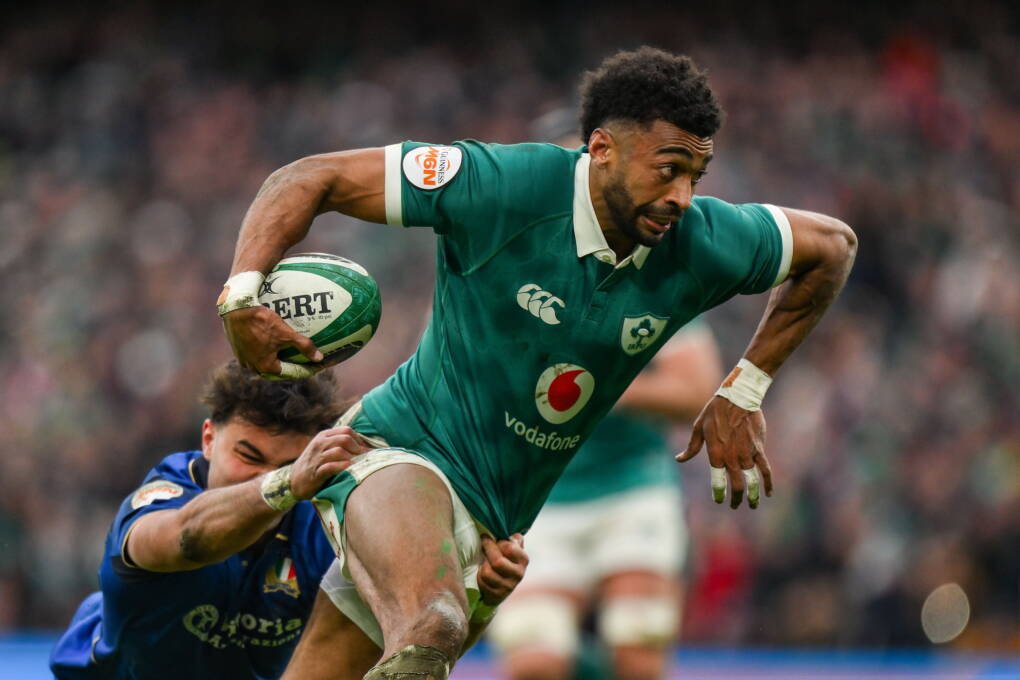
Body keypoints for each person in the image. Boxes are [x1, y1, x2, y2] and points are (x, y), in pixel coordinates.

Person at [217, 46, 857, 680]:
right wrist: (242, 295)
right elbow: (307, 178)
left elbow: (833, 246)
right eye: (668, 169)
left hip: (500, 524)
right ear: (601, 149)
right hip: (399, 452)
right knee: (432, 625)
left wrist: (745, 388)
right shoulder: (497, 185)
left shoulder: (700, 244)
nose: (684, 196)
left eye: (697, 175)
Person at [48, 361, 530, 679]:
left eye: (288, 464)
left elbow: (403, 646)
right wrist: (287, 484)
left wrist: (479, 596)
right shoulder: (165, 497)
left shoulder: (322, 527)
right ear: (209, 438)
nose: (264, 474)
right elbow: (187, 538)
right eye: (248, 455)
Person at [488, 321, 722, 680]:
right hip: (536, 499)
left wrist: (601, 388)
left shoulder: (656, 283)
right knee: (535, 665)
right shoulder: (512, 286)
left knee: (637, 656)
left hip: (632, 489)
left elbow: (697, 389)